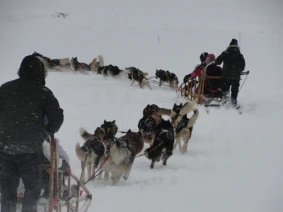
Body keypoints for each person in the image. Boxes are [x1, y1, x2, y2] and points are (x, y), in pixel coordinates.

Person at [0, 55, 64, 212]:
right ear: (41, 73)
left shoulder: (5, 89)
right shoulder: (43, 93)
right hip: (30, 150)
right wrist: (46, 133)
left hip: (6, 148)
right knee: (32, 190)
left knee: (7, 192)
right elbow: (57, 118)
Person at [215, 38, 246, 105]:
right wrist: (237, 70)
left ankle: (225, 100)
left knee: (225, 89)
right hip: (236, 77)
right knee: (234, 90)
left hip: (226, 76)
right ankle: (233, 101)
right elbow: (243, 67)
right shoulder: (240, 55)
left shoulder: (226, 53)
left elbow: (217, 62)